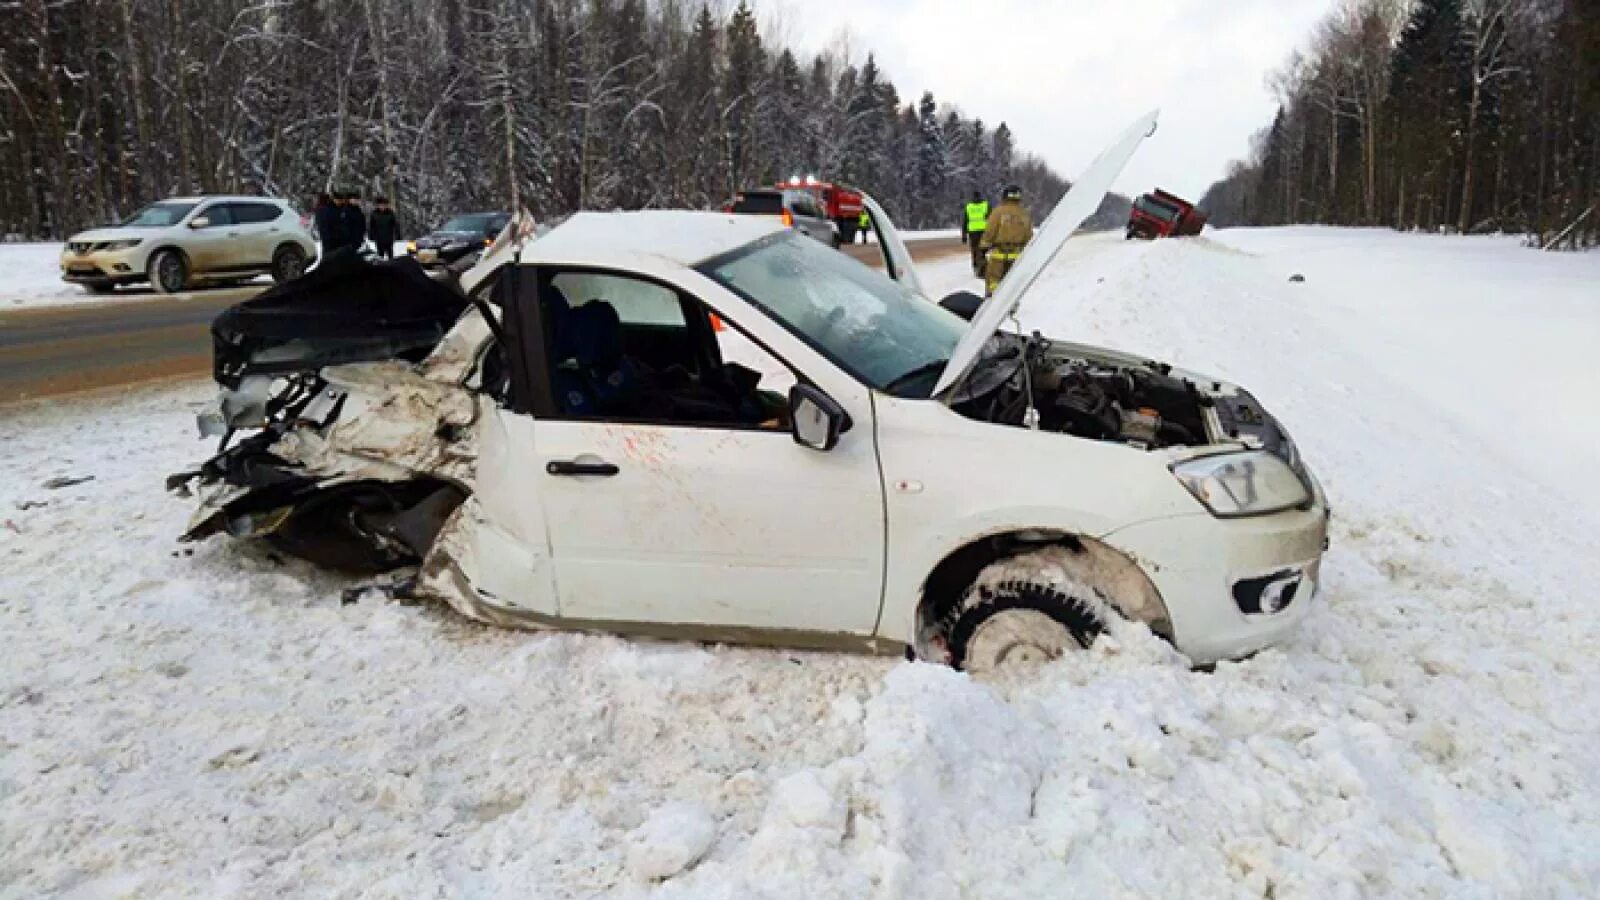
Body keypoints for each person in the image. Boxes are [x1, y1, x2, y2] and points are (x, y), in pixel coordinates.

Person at [981, 184, 1033, 296]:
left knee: (993, 285)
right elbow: (1029, 237)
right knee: (1011, 288)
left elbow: (990, 231)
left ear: (1005, 196)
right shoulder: (1024, 214)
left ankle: (992, 308)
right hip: (1016, 257)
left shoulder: (998, 212)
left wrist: (983, 247)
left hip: (998, 257)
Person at [961, 190, 990, 276]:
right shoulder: (986, 205)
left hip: (973, 232)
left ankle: (976, 267)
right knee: (983, 250)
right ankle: (983, 265)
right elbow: (992, 219)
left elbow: (965, 221)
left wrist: (964, 235)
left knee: (974, 250)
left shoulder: (969, 206)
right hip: (984, 231)